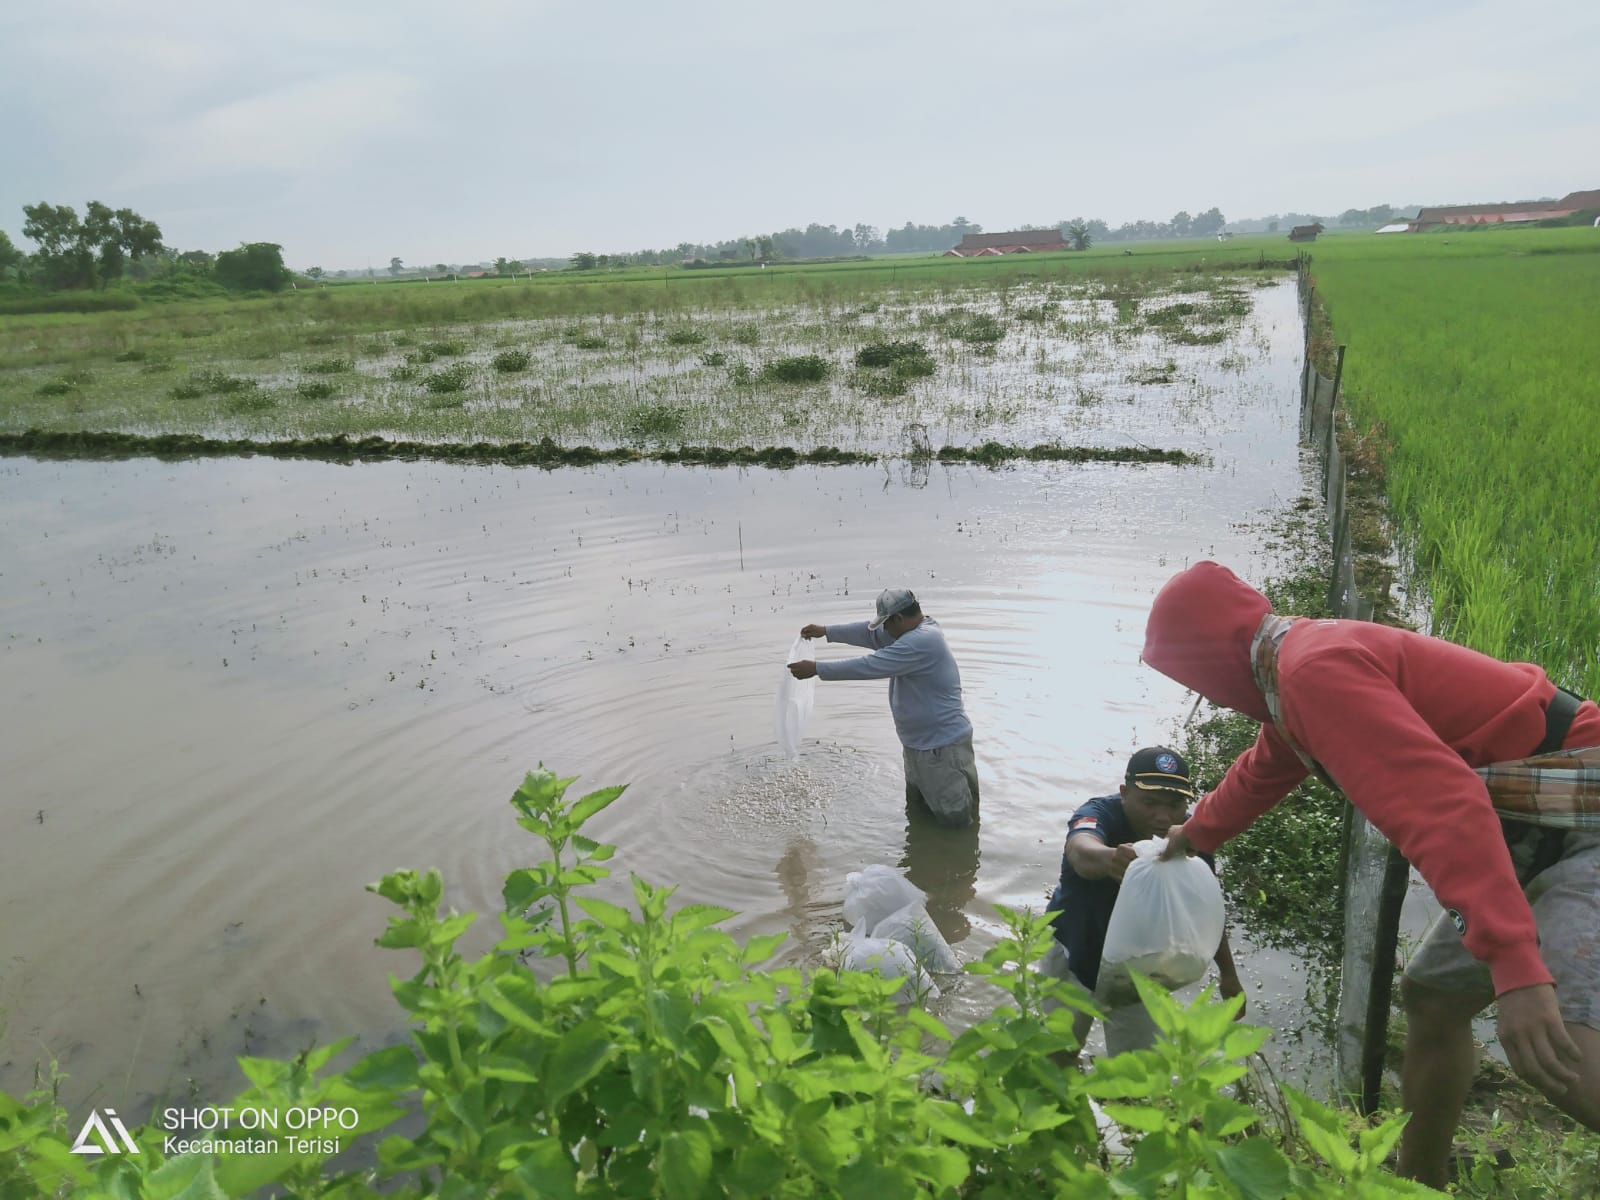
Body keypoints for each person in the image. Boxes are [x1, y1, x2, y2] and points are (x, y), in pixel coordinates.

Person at [1141, 561, 1600, 1187]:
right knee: (1433, 999)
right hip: (1522, 830)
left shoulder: (1311, 671)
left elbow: (1443, 805)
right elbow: (1264, 768)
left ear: (1211, 658)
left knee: (1558, 1043)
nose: (1209, 697)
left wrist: (1515, 965)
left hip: (1579, 812)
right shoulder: (1291, 670)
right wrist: (1192, 836)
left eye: (1195, 680)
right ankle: (1418, 1183)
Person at [1040, 746, 1244, 1057]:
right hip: (1074, 953)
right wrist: (1112, 859)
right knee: (1053, 1056)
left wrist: (1228, 975)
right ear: (1124, 793)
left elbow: (1204, 911)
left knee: (1137, 1077)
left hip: (1139, 971)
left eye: (1175, 805)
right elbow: (1080, 851)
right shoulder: (1099, 814)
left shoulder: (1189, 838)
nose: (1162, 817)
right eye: (1149, 803)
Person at [789, 588, 979, 827]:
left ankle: (957, 863)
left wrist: (817, 669)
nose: (883, 631)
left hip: (940, 750)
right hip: (919, 747)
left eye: (886, 624)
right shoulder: (910, 631)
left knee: (956, 824)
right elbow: (870, 635)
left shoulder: (921, 641)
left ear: (898, 619)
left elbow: (871, 665)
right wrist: (826, 632)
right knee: (920, 818)